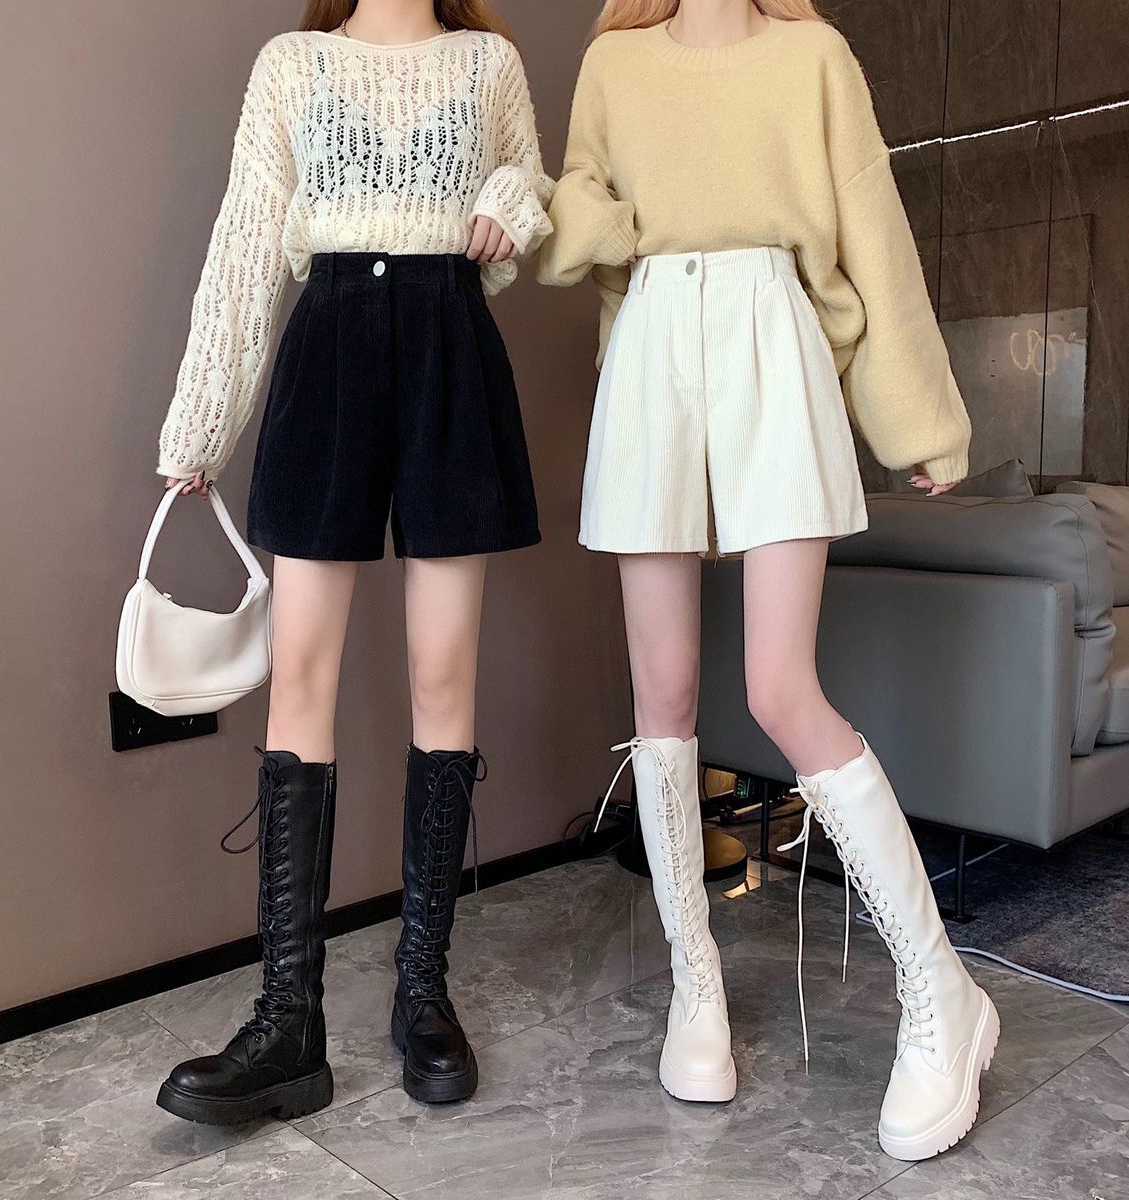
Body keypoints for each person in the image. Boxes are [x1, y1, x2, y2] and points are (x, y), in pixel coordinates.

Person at [539, 0, 997, 1163]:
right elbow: (575, 217)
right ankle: (695, 986)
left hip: (772, 334)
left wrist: (917, 418)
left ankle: (941, 992)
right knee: (663, 696)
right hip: (651, 347)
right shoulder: (614, 65)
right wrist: (613, 225)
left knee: (782, 688)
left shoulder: (814, 56)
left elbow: (871, 231)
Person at [153, 0, 552, 1124]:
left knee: (444, 672)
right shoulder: (292, 63)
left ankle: (423, 992)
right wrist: (201, 425)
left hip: (448, 348)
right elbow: (245, 242)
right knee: (301, 672)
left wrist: (511, 200)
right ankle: (289, 1022)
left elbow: (534, 186)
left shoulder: (489, 61)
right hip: (329, 341)